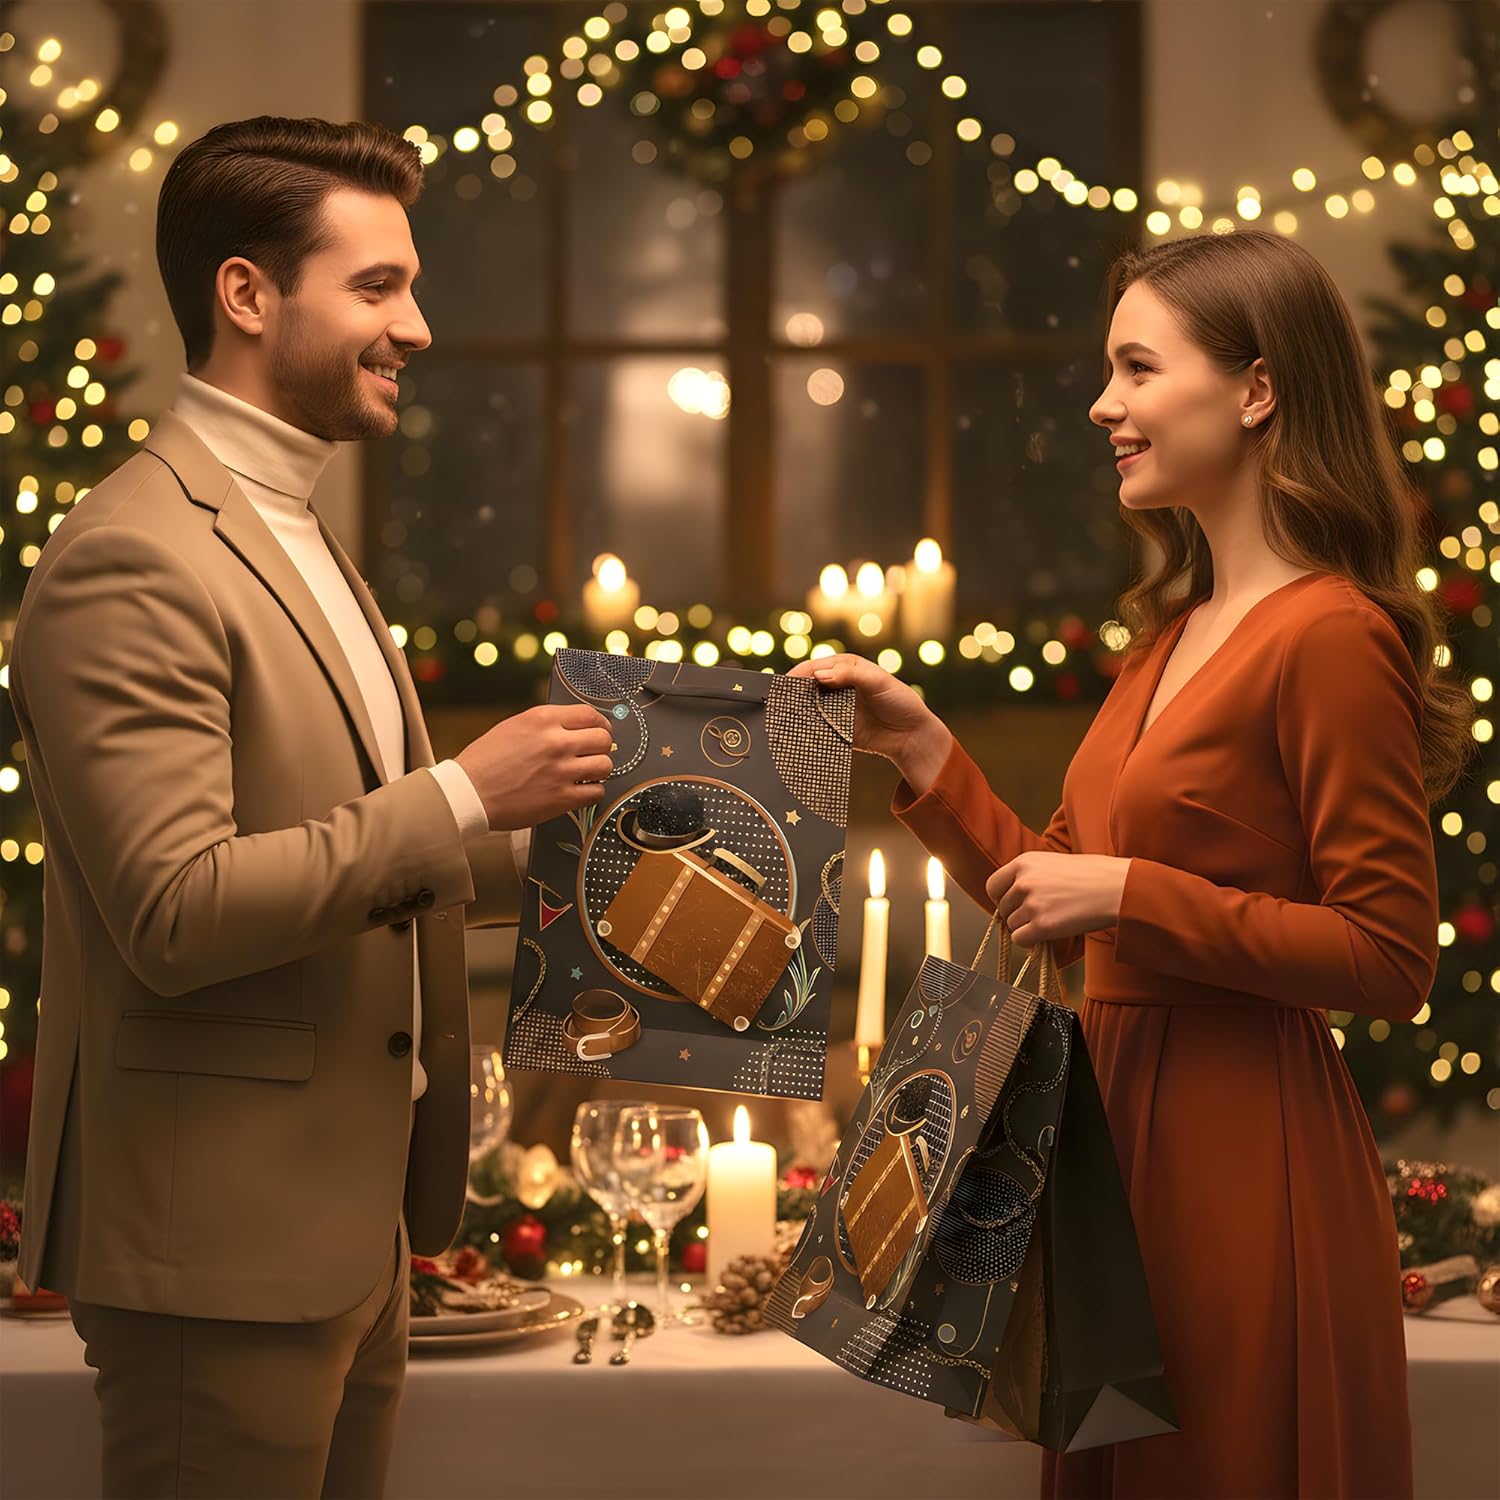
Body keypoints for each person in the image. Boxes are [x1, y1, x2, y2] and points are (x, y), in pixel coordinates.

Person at [794, 229, 1471, 1499]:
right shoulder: (1171, 634)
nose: (1105, 404)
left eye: (1138, 369)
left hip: (1242, 1158)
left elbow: (1389, 957)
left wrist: (1129, 896)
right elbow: (1054, 885)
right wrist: (929, 751)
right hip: (1110, 1132)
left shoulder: (1330, 634)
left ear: (1256, 391)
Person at [10, 117, 613, 1498]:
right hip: (220, 1247)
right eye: (378, 285)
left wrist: (596, 832)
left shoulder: (301, 533)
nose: (419, 325)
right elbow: (174, 911)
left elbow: (347, 848)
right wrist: (464, 791)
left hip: (346, 1235)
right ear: (247, 294)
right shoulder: (131, 555)